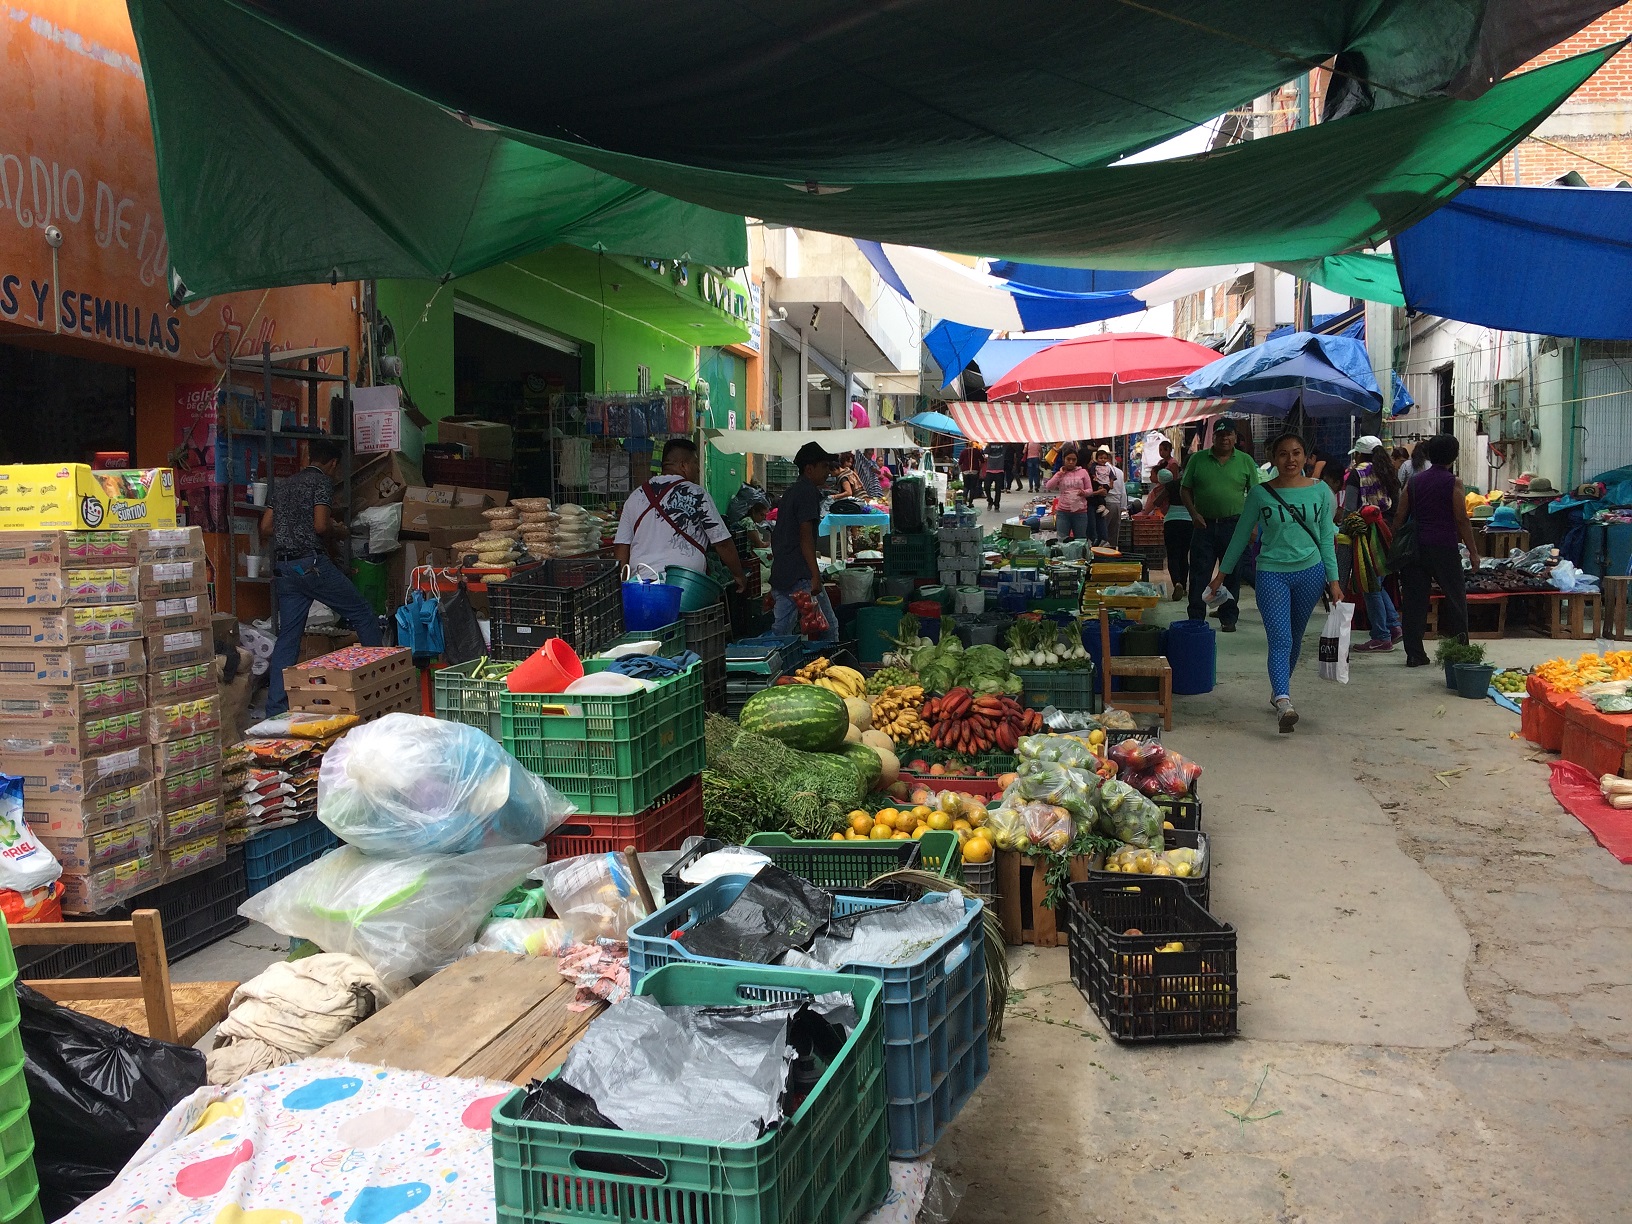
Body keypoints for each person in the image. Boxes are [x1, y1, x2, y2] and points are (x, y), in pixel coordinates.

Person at [1204, 432, 1342, 733]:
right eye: (1283, 454)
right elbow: (1241, 536)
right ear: (1274, 458)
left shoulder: (1320, 491)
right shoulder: (1259, 493)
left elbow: (1326, 539)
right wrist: (1221, 576)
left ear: (1306, 457)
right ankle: (1283, 700)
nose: (1290, 459)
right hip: (1271, 574)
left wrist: (1334, 581)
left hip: (1311, 572)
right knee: (1280, 639)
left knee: (1294, 637)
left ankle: (1280, 688)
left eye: (1296, 453)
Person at [262, 439, 383, 717]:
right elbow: (320, 524)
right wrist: (338, 531)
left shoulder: (282, 485)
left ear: (309, 456)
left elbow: (266, 527)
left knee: (288, 637)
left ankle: (275, 709)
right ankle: (377, 684)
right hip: (311, 565)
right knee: (363, 613)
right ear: (332, 464)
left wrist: (289, 530)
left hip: (285, 568)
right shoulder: (322, 484)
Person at [1394, 433, 1482, 668]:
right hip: (1443, 547)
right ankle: (1459, 653)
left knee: (1414, 602)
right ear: (1454, 456)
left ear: (1429, 455)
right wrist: (1473, 552)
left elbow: (1400, 516)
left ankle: (1415, 654)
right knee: (1455, 599)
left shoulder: (1413, 482)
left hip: (1415, 548)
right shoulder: (1453, 482)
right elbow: (1461, 519)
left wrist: (1395, 545)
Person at [614, 438, 747, 592]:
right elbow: (722, 543)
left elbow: (621, 546)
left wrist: (621, 586)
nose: (698, 469)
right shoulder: (697, 494)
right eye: (696, 463)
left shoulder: (636, 496)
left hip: (642, 587)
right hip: (687, 586)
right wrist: (738, 574)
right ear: (684, 465)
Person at [1180, 419, 1260, 633]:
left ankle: (1228, 617)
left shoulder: (1245, 461)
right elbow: (1184, 489)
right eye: (1220, 434)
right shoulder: (1198, 459)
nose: (1225, 438)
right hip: (1203, 525)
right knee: (1199, 573)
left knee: (1233, 573)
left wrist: (1252, 526)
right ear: (1213, 437)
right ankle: (1196, 618)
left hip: (1234, 526)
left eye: (1229, 434)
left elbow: (1256, 495)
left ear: (1235, 438)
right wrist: (1193, 514)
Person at [770, 441, 840, 643]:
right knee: (830, 628)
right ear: (809, 469)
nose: (828, 471)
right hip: (799, 574)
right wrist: (815, 575)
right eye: (824, 466)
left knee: (781, 631)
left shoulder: (792, 492)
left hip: (784, 571)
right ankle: (830, 670)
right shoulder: (807, 492)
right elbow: (805, 536)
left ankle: (765, 663)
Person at [1343, 435, 1403, 652]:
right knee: (1377, 582)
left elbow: (1350, 507)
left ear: (1359, 453)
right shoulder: (1388, 473)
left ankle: (1381, 636)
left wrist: (1344, 530)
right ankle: (1394, 626)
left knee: (1370, 585)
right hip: (1387, 533)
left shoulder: (1355, 474)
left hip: (1366, 534)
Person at [1147, 467, 1192, 600]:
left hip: (1171, 521)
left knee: (1173, 555)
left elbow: (1157, 502)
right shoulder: (1193, 485)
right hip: (1189, 521)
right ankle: (1183, 587)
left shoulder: (1172, 485)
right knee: (1184, 556)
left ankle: (1176, 582)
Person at [1044, 448, 1095, 541]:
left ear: (1077, 460)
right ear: (1064, 459)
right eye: (1068, 459)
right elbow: (1049, 486)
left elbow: (1090, 490)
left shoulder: (1083, 472)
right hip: (1063, 512)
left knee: (1080, 540)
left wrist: (1083, 492)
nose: (1071, 462)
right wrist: (1059, 474)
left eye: (1074, 460)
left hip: (1080, 512)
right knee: (1062, 539)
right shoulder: (1060, 473)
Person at [1093, 446, 1127, 549]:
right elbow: (1123, 493)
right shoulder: (1119, 472)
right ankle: (1111, 556)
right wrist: (1123, 508)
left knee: (1101, 534)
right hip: (1116, 505)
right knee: (1113, 536)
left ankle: (1100, 555)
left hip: (1105, 503)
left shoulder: (1098, 470)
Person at [982, 441, 1008, 510]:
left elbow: (1008, 443)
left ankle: (996, 505)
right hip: (989, 470)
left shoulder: (1003, 444)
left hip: (999, 470)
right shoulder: (990, 444)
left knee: (998, 489)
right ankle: (990, 501)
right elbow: (984, 452)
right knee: (986, 487)